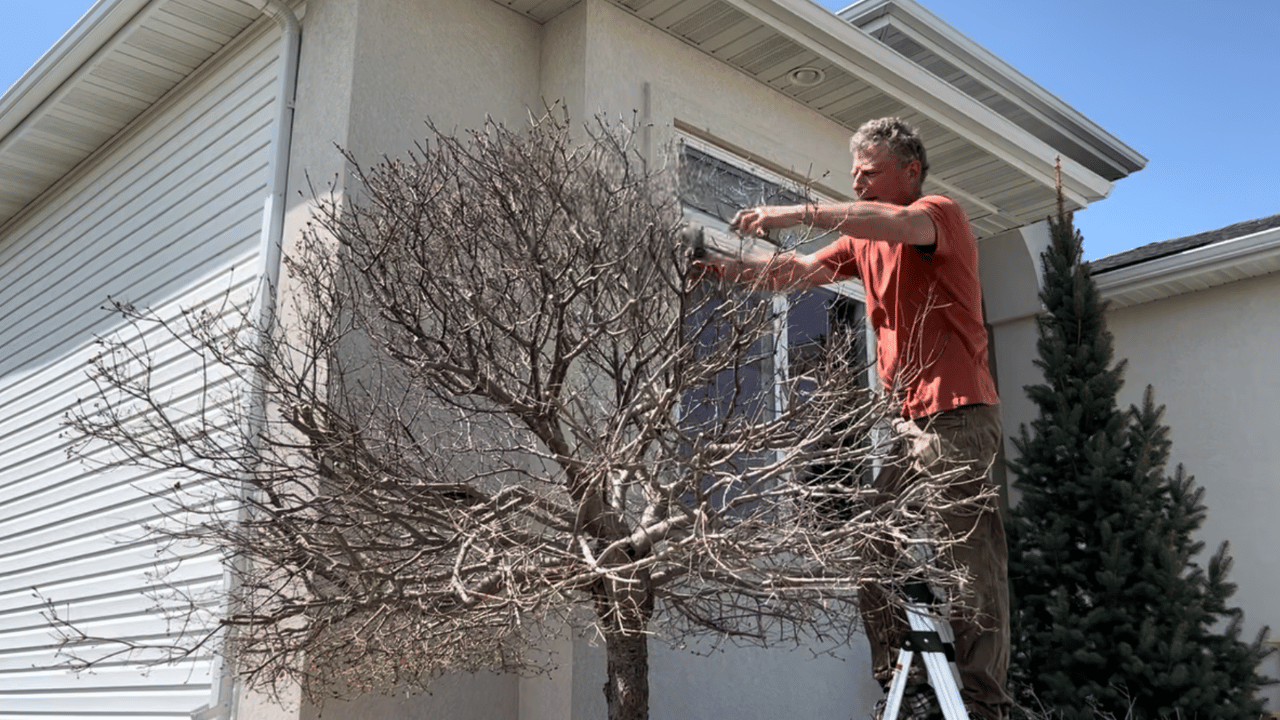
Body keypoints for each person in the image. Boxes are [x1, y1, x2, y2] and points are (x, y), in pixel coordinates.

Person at [702, 117, 1011, 720]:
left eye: (869, 174)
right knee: (869, 542)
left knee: (971, 562)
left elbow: (892, 224)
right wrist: (714, 262)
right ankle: (906, 678)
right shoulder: (863, 240)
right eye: (854, 176)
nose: (859, 184)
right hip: (907, 423)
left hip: (960, 415)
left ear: (910, 172)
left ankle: (983, 702)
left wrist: (794, 212)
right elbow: (791, 274)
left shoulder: (937, 213)